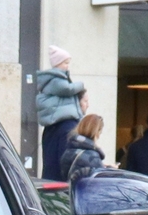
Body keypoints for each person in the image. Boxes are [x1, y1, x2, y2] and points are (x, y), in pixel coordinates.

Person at [32, 46, 84, 181]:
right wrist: (81, 85)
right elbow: (67, 89)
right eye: (65, 63)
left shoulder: (54, 129)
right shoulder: (56, 80)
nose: (68, 67)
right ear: (57, 63)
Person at [62, 110, 108, 184]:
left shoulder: (69, 151)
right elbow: (101, 181)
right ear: (96, 132)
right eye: (100, 132)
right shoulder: (92, 156)